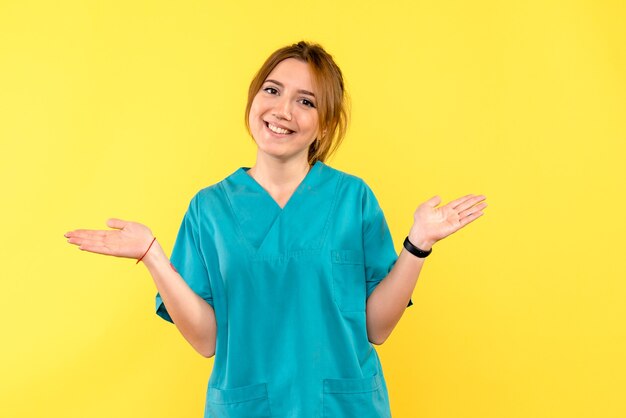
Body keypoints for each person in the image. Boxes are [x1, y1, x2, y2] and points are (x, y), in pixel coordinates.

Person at [65, 41, 487, 417]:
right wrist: (152, 257)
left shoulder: (352, 199)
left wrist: (418, 244)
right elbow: (207, 340)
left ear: (324, 124)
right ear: (253, 100)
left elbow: (376, 328)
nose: (282, 110)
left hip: (343, 407)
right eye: (272, 90)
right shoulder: (209, 209)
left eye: (306, 101)